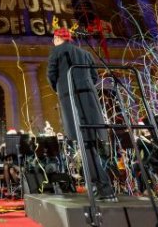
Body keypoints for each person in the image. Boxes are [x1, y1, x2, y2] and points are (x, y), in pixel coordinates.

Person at [47, 26, 116, 202]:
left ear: (57, 38)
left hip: (71, 99)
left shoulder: (57, 51)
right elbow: (94, 77)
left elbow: (51, 75)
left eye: (53, 39)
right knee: (91, 144)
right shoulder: (85, 54)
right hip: (89, 100)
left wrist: (60, 88)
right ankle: (103, 187)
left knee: (85, 145)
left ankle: (102, 187)